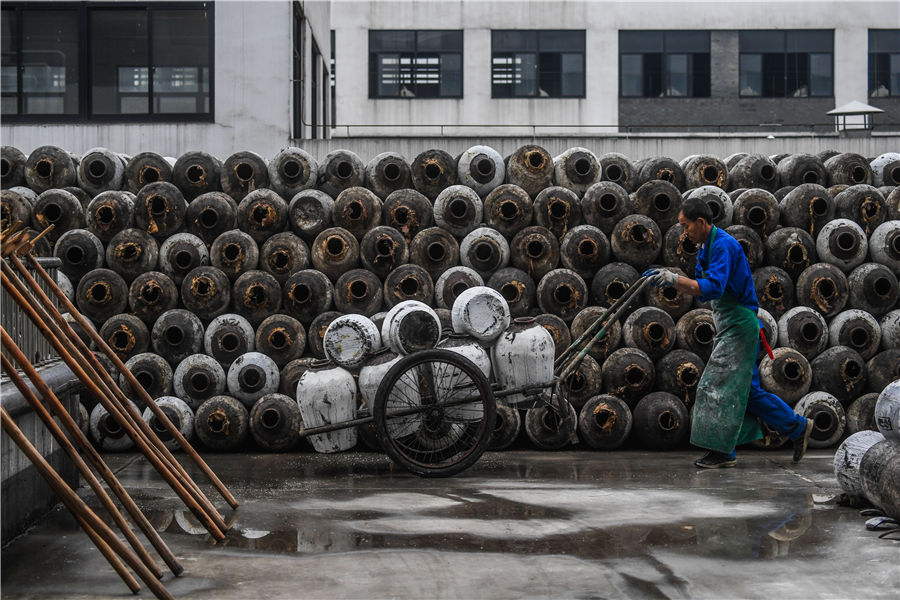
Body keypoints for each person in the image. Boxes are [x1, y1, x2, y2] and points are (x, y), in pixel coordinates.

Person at [643, 196, 813, 469]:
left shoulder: (723, 245)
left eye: (686, 226)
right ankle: (797, 427)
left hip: (739, 326)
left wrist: (674, 279)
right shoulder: (707, 246)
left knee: (715, 385)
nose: (684, 232)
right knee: (748, 392)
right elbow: (701, 288)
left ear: (701, 222)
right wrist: (668, 277)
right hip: (730, 323)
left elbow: (714, 287)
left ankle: (722, 452)